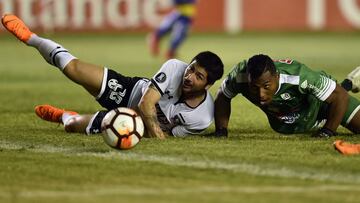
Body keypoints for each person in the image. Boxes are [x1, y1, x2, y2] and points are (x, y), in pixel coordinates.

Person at [2, 14, 224, 139]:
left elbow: (171, 135)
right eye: (191, 69)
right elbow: (146, 103)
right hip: (129, 91)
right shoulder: (176, 66)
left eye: (198, 76)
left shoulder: (202, 119)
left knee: (72, 126)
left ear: (208, 85)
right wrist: (157, 133)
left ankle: (64, 116)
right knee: (74, 69)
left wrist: (138, 129)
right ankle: (31, 37)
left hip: (134, 123)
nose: (189, 76)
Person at [214, 54, 360, 138]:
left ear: (277, 77)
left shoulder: (299, 76)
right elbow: (222, 95)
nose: (261, 95)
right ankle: (349, 83)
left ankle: (348, 84)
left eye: (266, 86)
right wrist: (221, 130)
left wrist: (327, 131)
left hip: (321, 105)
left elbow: (340, 97)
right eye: (254, 87)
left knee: (337, 96)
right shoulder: (239, 76)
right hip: (288, 120)